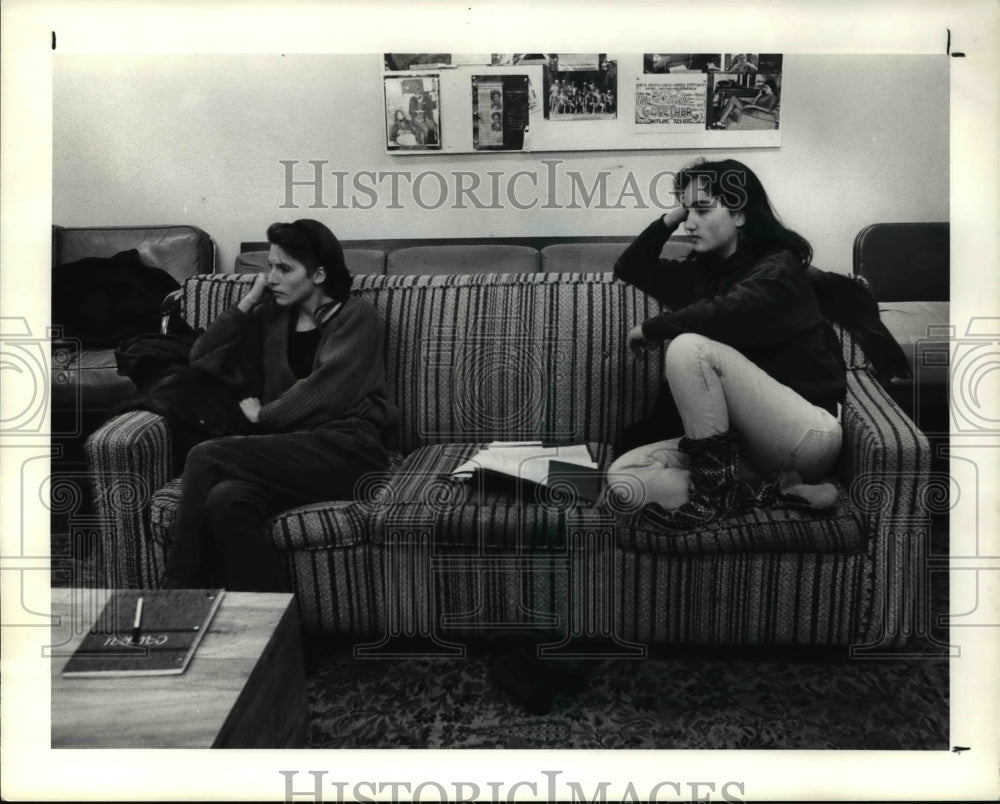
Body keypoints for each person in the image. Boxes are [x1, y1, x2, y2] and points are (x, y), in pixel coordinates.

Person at [610, 158, 847, 530]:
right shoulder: (703, 273)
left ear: (739, 215)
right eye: (689, 212)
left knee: (689, 346)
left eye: (703, 210)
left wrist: (653, 328)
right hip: (747, 450)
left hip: (808, 433)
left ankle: (717, 496)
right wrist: (674, 214)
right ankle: (766, 493)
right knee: (625, 477)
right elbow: (630, 268)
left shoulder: (778, 268)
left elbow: (731, 310)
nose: (690, 223)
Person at [162, 219, 398, 590]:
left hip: (349, 451)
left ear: (319, 274)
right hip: (291, 453)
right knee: (226, 502)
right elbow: (202, 356)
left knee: (206, 456)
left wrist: (265, 414)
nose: (271, 277)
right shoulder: (273, 316)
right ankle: (272, 628)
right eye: (270, 266)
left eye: (284, 269)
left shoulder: (356, 316)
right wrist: (248, 302)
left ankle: (174, 591)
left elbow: (327, 390)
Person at [712, 79, 778, 129]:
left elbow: (769, 110)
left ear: (771, 88)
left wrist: (754, 106)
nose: (764, 88)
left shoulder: (773, 97)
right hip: (751, 107)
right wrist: (758, 95)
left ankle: (721, 121)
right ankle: (721, 121)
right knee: (732, 101)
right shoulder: (765, 95)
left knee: (733, 98)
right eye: (764, 87)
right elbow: (753, 102)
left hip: (754, 110)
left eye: (766, 87)